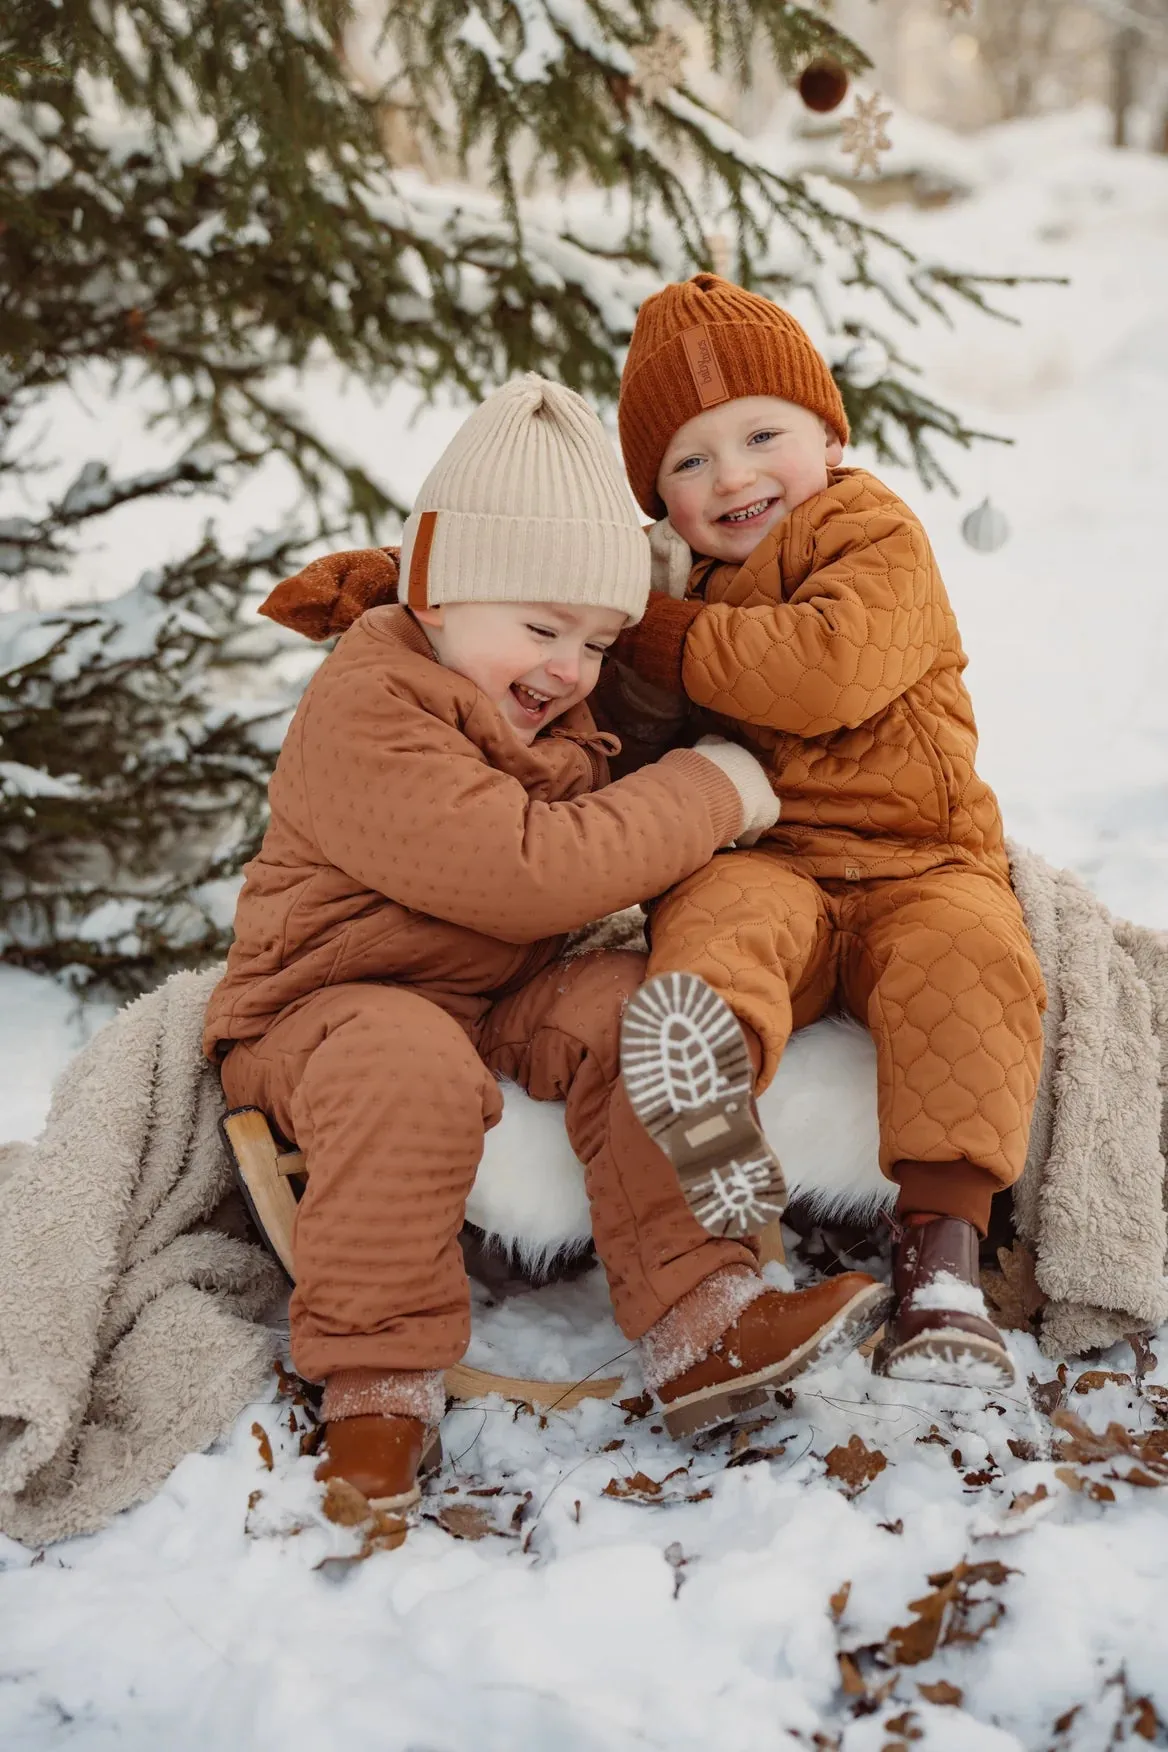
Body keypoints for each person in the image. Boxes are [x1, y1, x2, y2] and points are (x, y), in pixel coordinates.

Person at [204, 375, 889, 1514]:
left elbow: (627, 712)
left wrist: (664, 593)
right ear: (432, 590)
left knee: (648, 1004)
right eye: (540, 628)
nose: (568, 669)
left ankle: (706, 1312)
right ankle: (376, 1387)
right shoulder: (370, 704)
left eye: (594, 639)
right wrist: (711, 793)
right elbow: (529, 873)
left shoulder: (533, 692)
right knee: (403, 1057)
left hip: (495, 993)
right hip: (327, 1002)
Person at [606, 274, 1046, 1388]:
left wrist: (662, 632)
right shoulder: (674, 580)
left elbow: (827, 669)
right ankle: (710, 1126)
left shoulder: (869, 526)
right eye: (689, 463)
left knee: (968, 964)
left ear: (827, 436)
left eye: (762, 435)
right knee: (714, 928)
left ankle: (942, 1251)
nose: (735, 475)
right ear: (658, 497)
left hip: (920, 854)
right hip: (776, 858)